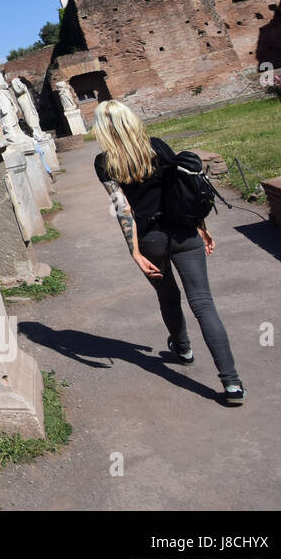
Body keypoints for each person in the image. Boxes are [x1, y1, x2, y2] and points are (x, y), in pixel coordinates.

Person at [92, 100, 245, 405]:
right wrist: (200, 226)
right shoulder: (157, 147)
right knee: (204, 304)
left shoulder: (104, 163)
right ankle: (231, 383)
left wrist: (135, 251)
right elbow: (183, 189)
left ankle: (183, 349)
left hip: (151, 240)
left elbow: (123, 208)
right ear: (130, 120)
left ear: (102, 130)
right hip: (184, 233)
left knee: (168, 296)